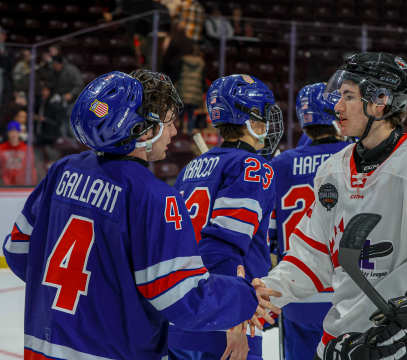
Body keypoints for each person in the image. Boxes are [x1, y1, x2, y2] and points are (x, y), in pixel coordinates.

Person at [2, 70, 280, 359]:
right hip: (116, 350)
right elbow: (182, 299)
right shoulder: (152, 195)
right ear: (144, 130)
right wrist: (242, 297)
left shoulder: (61, 171)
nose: (174, 132)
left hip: (40, 346)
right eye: (170, 122)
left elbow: (18, 251)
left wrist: (88, 298)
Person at [261, 52, 407, 359]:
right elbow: (311, 254)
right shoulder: (332, 170)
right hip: (341, 340)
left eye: (348, 97)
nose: (337, 107)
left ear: (379, 101)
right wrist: (267, 292)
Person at [169, 74, 284, 360]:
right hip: (226, 312)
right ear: (251, 120)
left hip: (184, 309)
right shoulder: (253, 166)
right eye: (264, 115)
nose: (268, 124)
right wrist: (233, 317)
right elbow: (224, 247)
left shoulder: (192, 167)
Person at [268, 82, 349, 358]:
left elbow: (270, 234)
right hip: (345, 290)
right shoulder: (353, 157)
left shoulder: (279, 165)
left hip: (297, 290)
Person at [0, 120, 36, 185]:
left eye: (16, 131)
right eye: (11, 131)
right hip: (4, 185)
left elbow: (31, 169)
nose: (13, 134)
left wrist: (31, 184)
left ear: (19, 132)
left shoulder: (27, 149)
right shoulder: (1, 148)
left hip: (22, 184)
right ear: (7, 133)